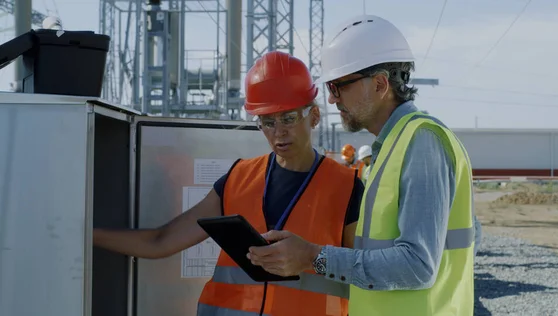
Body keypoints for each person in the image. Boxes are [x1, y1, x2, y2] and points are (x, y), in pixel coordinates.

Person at [93, 51, 364, 316]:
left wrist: (312, 259)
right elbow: (160, 241)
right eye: (267, 122)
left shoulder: (347, 188)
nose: (278, 131)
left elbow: (365, 271)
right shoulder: (237, 179)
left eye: (289, 118)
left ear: (314, 116)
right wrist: (85, 235)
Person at [247, 15, 480, 315]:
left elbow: (419, 266)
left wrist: (313, 257)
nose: (331, 99)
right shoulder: (393, 147)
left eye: (338, 86)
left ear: (381, 84)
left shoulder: (422, 142)